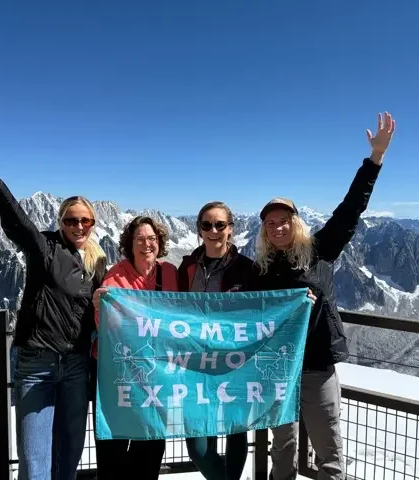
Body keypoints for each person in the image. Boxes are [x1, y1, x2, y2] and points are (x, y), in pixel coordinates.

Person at [251, 112, 396, 480]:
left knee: (329, 451)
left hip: (316, 365)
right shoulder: (261, 268)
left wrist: (374, 159)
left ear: (295, 222)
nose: (277, 226)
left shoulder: (319, 249)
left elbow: (350, 210)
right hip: (277, 369)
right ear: (265, 231)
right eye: (270, 223)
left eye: (283, 220)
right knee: (281, 449)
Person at [0, 133, 107, 480]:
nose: (78, 226)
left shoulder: (98, 261)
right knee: (34, 458)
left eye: (85, 220)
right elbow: (18, 223)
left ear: (93, 224)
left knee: (70, 449)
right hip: (36, 364)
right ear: (61, 222)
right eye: (71, 220)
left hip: (76, 364)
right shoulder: (45, 248)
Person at [177, 201, 316, 480]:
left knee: (235, 432)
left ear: (230, 229)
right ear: (199, 229)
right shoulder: (187, 267)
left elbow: (270, 306)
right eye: (207, 225)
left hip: (236, 364)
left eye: (220, 225)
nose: (213, 230)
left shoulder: (249, 269)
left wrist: (299, 301)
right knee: (198, 447)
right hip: (196, 365)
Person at [91, 215, 179, 480]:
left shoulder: (170, 274)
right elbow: (104, 325)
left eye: (152, 238)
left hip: (156, 376)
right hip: (119, 376)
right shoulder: (116, 277)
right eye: (140, 239)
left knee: (150, 448)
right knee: (114, 453)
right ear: (130, 244)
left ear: (160, 242)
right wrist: (98, 306)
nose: (146, 244)